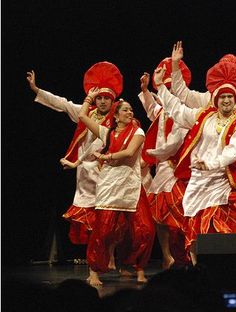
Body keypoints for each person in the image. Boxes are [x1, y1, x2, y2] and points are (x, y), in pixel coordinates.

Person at [153, 61, 236, 265]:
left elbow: (235, 149)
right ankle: (196, 260)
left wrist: (212, 163)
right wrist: (161, 86)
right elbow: (177, 109)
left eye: (229, 97)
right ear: (215, 99)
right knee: (198, 221)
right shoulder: (203, 116)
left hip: (229, 174)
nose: (226, 100)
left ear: (235, 101)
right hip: (201, 178)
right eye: (222, 96)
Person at [26, 62, 120, 247]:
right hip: (85, 172)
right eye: (99, 97)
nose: (102, 101)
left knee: (109, 216)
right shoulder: (86, 113)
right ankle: (95, 259)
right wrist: (37, 89)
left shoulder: (118, 120)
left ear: (112, 101)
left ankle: (109, 255)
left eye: (106, 98)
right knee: (91, 219)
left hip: (108, 171)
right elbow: (63, 103)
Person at [78, 77, 155, 285]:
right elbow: (82, 116)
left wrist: (106, 157)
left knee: (145, 230)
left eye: (131, 110)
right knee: (103, 231)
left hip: (130, 187)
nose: (130, 113)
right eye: (125, 110)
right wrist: (89, 98)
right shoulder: (107, 133)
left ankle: (138, 268)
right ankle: (94, 272)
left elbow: (129, 152)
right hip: (109, 186)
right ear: (116, 115)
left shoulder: (137, 131)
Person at [138, 57, 192, 269]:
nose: (164, 94)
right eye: (163, 88)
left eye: (169, 88)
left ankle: (185, 251)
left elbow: (174, 144)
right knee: (158, 215)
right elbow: (152, 108)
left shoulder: (183, 114)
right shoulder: (161, 112)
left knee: (180, 211)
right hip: (162, 169)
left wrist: (150, 154)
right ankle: (167, 255)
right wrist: (144, 89)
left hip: (177, 168)